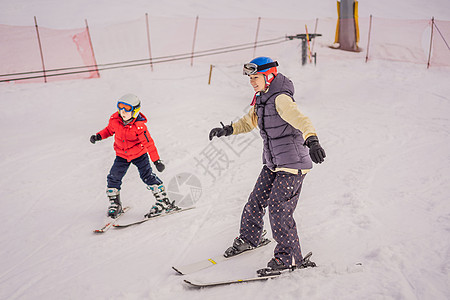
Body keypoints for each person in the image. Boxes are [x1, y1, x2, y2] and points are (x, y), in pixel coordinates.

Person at [209, 57, 326, 271]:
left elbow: (302, 120)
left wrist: (313, 141)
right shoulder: (262, 98)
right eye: (250, 78)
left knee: (279, 208)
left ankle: (288, 258)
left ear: (269, 76)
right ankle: (249, 238)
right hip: (274, 162)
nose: (252, 82)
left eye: (256, 78)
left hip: (292, 164)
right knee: (255, 200)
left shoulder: (281, 98)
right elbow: (248, 121)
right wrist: (227, 129)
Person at [90, 93, 175, 219]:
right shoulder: (115, 121)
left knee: (147, 176)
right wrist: (98, 136)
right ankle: (115, 204)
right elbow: (109, 130)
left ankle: (163, 202)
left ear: (135, 111)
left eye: (127, 108)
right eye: (120, 107)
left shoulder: (139, 127)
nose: (122, 111)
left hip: (139, 155)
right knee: (113, 177)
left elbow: (149, 144)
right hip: (121, 156)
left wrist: (156, 161)